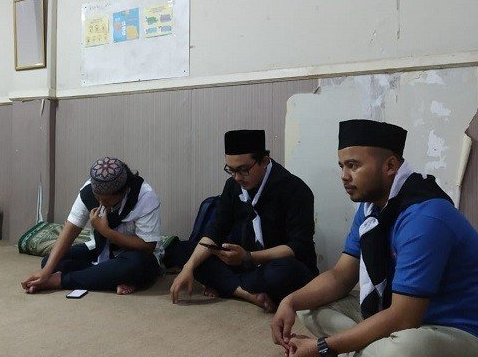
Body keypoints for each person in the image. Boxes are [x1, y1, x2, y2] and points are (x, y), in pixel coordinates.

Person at [271, 119, 478, 357]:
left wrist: (323, 349)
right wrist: (290, 301)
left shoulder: (424, 217)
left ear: (390, 166)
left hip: (463, 337)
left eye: (353, 165)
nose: (344, 175)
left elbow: (405, 317)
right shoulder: (370, 208)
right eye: (341, 165)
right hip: (399, 315)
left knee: (410, 354)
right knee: (308, 307)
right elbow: (342, 275)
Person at [167, 130, 318, 311]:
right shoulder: (233, 186)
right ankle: (246, 293)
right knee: (185, 250)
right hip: (245, 266)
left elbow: (298, 247)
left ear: (264, 160)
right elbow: (216, 230)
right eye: (231, 170)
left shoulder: (294, 189)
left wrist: (249, 257)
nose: (237, 177)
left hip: (276, 265)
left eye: (244, 170)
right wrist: (188, 267)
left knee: (282, 272)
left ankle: (228, 285)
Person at [21, 156, 163, 295]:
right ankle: (108, 278)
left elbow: (147, 246)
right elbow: (71, 229)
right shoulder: (89, 190)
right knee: (50, 261)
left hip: (136, 255)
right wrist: (46, 271)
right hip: (101, 251)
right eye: (97, 197)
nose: (101, 202)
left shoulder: (144, 197)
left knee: (136, 266)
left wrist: (106, 232)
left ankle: (61, 280)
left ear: (124, 191)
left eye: (107, 199)